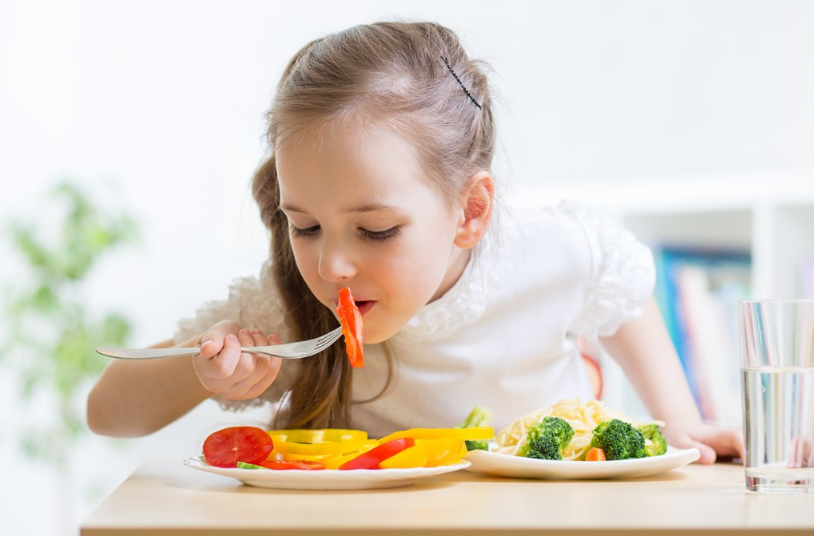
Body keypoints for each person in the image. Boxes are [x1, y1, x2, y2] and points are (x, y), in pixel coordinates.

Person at [87, 21, 742, 464]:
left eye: (376, 230)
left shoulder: (550, 251)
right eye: (305, 225)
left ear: (471, 211)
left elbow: (619, 286)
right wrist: (203, 371)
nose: (331, 263)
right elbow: (107, 414)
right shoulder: (293, 307)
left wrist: (678, 417)